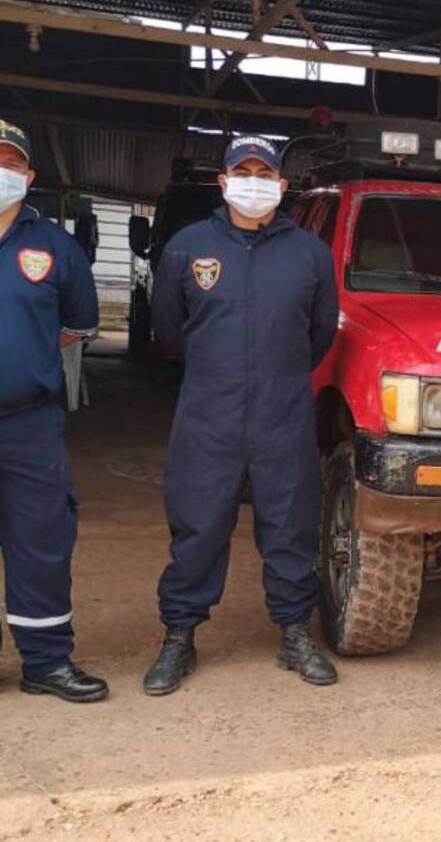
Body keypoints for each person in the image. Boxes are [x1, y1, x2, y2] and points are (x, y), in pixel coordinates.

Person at [144, 135, 339, 694]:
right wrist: (219, 372)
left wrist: (277, 373)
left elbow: (320, 333)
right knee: (199, 524)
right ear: (224, 182)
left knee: (290, 524)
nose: (253, 181)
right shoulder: (189, 246)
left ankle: (294, 632)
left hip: (283, 409)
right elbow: (172, 328)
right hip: (210, 409)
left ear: (281, 186)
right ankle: (179, 635)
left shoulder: (309, 254)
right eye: (242, 171)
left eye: (264, 173)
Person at [0, 119, 108, 702]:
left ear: (28, 176)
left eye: (9, 162)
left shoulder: (54, 248)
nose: (1, 171)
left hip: (28, 424)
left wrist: (24, 355)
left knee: (40, 543)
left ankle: (45, 662)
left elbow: (78, 325)